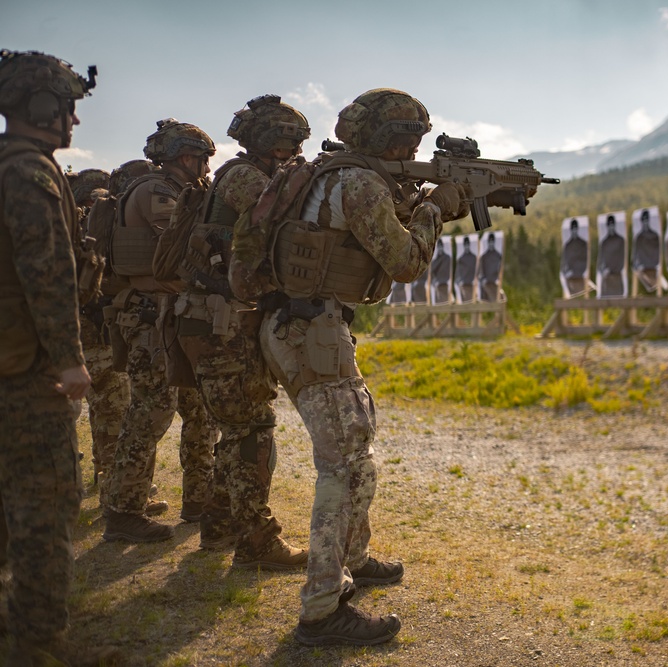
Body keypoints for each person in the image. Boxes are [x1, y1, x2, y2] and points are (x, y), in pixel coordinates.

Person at [230, 87, 469, 645]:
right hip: (311, 329)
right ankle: (322, 608)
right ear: (387, 137)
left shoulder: (328, 173)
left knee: (354, 453)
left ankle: (355, 559)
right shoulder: (358, 182)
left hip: (300, 323)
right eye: (407, 135)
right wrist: (436, 209)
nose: (413, 144)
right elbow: (406, 262)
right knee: (342, 465)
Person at [0, 48, 124, 666]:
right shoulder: (30, 173)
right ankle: (39, 647)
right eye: (68, 109)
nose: (73, 122)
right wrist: (71, 360)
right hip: (26, 373)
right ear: (43, 106)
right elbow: (45, 274)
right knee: (47, 504)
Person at [174, 95, 310, 568]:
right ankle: (256, 543)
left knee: (238, 428)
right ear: (264, 141)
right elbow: (291, 225)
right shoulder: (249, 179)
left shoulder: (248, 174)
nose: (289, 150)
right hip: (220, 322)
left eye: (293, 143)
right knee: (252, 430)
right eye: (284, 142)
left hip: (219, 319)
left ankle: (219, 524)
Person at [102, 119, 218, 543]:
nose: (206, 167)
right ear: (186, 157)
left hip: (173, 313)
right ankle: (123, 511)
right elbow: (182, 247)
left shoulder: (176, 190)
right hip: (151, 315)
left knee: (199, 409)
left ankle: (199, 499)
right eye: (203, 159)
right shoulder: (157, 191)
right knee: (150, 411)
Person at [68, 168, 134, 509]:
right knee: (112, 410)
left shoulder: (66, 227)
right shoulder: (95, 229)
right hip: (96, 335)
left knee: (92, 410)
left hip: (76, 334)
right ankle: (110, 488)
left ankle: (96, 478)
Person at [632, 209, 660, 293]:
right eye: (644, 220)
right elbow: (635, 254)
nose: (645, 222)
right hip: (642, 269)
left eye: (647, 220)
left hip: (654, 268)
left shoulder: (655, 235)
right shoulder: (639, 237)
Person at [598, 214, 625, 297]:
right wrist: (603, 270)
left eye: (612, 224)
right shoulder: (604, 242)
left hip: (616, 277)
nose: (611, 227)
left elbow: (622, 259)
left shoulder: (620, 240)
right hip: (606, 279)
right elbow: (601, 260)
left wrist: (612, 270)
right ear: (607, 226)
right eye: (609, 225)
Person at [561, 218, 588, 296]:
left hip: (580, 278)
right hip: (569, 281)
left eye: (575, 228)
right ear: (571, 230)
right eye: (573, 229)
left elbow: (584, 261)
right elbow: (565, 261)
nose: (574, 231)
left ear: (577, 229)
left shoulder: (583, 244)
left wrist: (573, 272)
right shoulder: (567, 245)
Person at [478, 232, 502, 302]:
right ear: (488, 243)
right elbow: (481, 269)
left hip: (495, 282)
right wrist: (484, 279)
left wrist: (498, 278)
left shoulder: (498, 256)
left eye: (492, 242)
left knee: (500, 299)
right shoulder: (484, 256)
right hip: (486, 282)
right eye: (490, 242)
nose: (491, 244)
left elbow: (500, 268)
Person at [455, 235, 477, 302]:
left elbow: (477, 270)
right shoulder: (461, 259)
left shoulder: (474, 257)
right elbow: (458, 272)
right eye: (465, 245)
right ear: (464, 246)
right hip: (464, 285)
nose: (466, 246)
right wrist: (459, 281)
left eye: (467, 244)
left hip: (473, 284)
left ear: (469, 245)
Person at [431, 237, 451, 304]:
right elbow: (432, 273)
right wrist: (434, 281)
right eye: (439, 247)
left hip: (445, 283)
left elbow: (448, 271)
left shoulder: (447, 258)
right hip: (437, 285)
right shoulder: (435, 260)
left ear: (442, 247)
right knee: (438, 304)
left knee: (446, 302)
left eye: (441, 246)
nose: (440, 248)